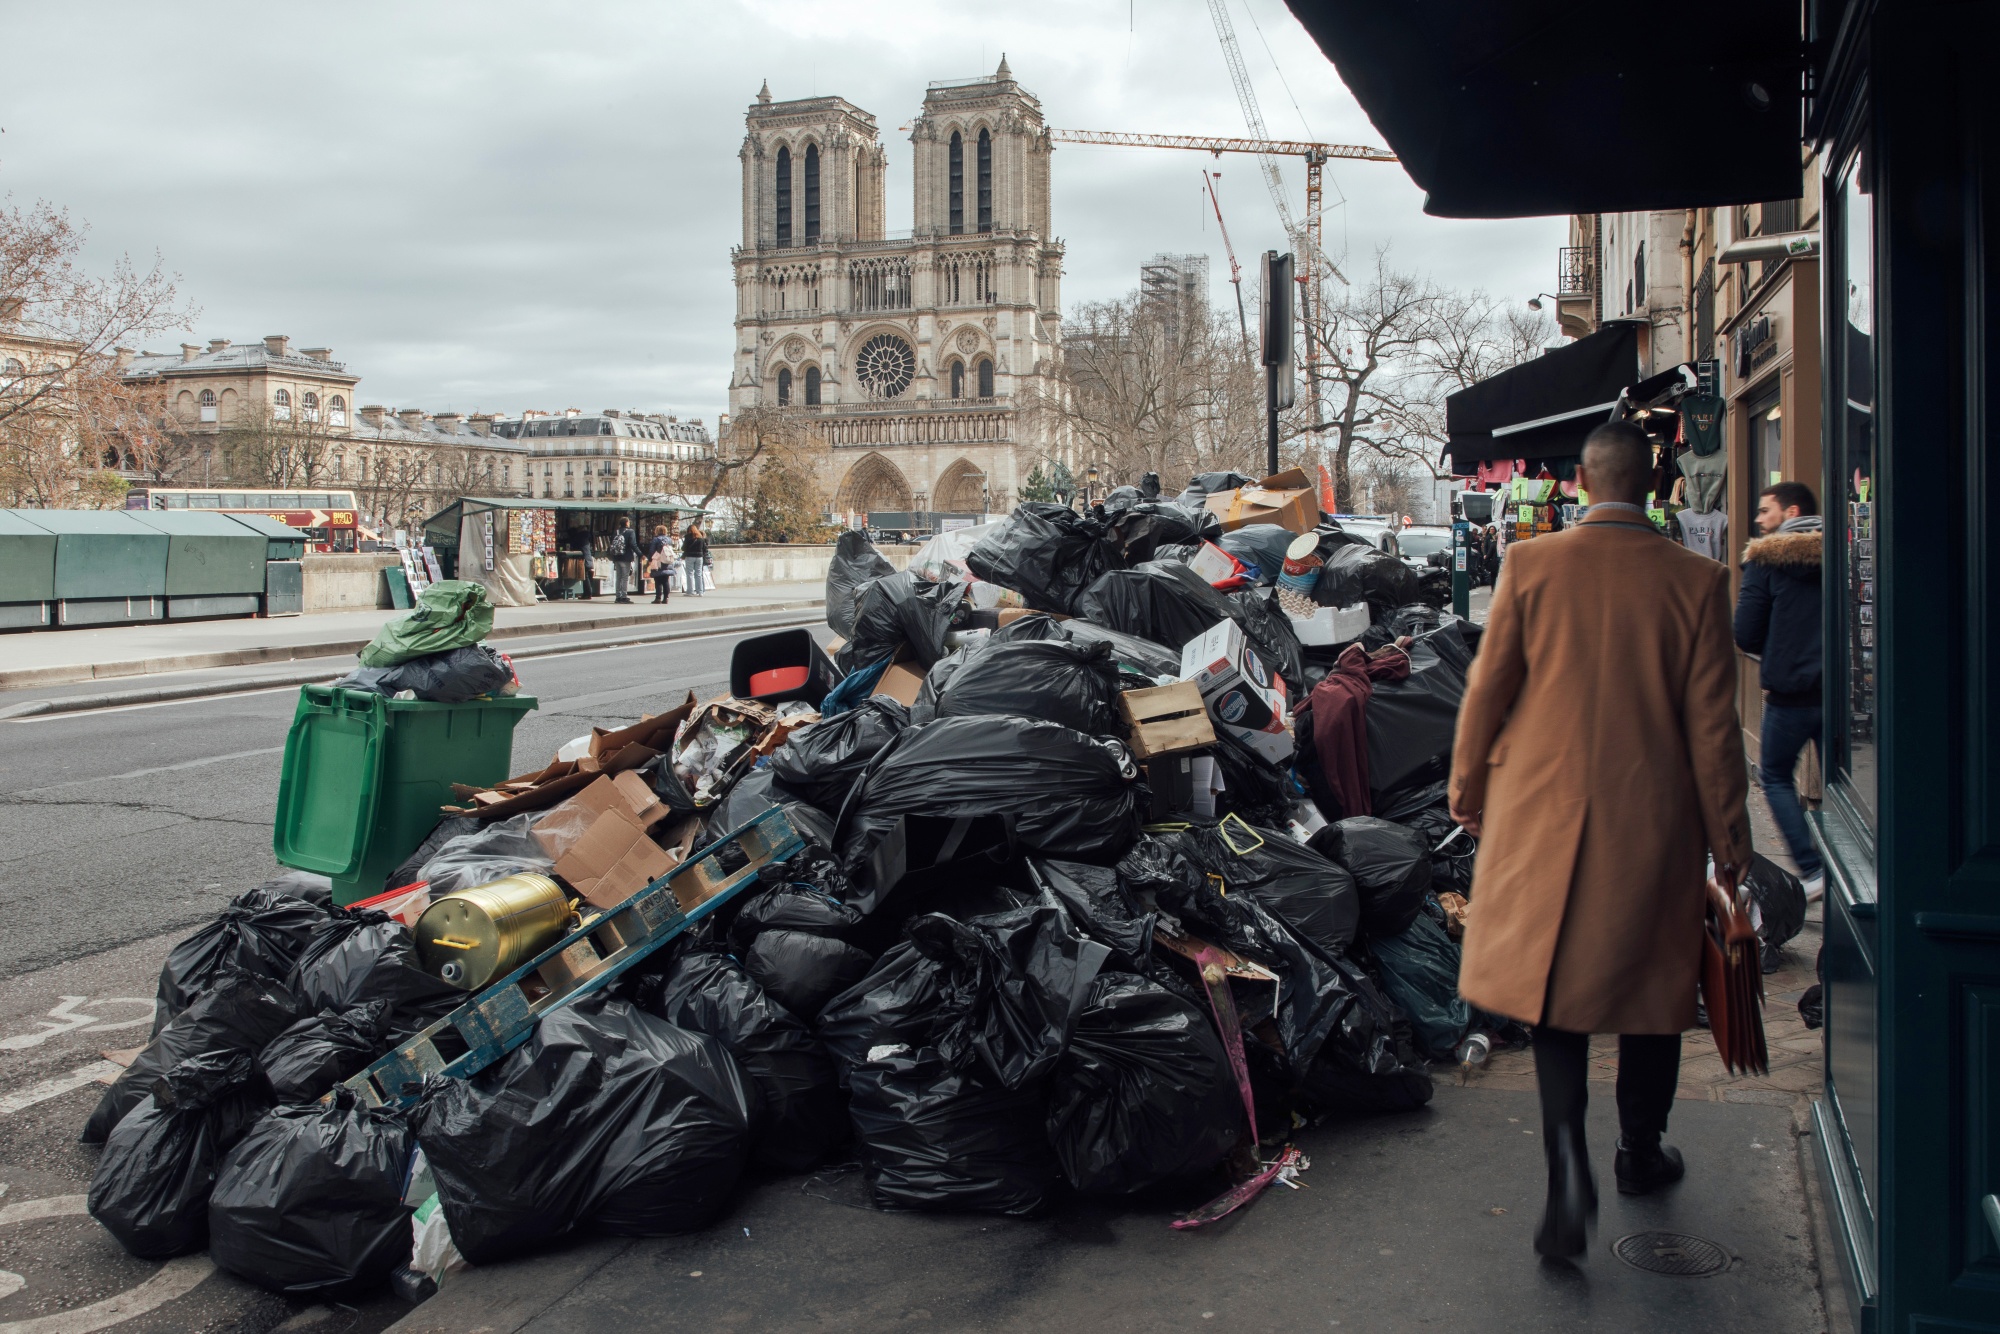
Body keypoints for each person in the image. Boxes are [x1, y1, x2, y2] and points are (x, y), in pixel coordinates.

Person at [1448, 420, 1751, 1259]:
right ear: (1654, 487)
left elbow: (1487, 691)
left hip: (1543, 818)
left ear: (1580, 483)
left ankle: (1565, 1171)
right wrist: (1732, 842)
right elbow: (1715, 731)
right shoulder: (1697, 580)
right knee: (1652, 999)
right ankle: (1638, 1153)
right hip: (1652, 825)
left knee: (1556, 999)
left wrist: (1467, 789)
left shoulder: (1532, 566)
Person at [1734, 481, 1825, 900]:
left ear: (1791, 513)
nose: (1758, 520)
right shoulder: (1843, 552)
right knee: (1842, 785)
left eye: (1764, 511)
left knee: (1773, 776)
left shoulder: (1765, 561)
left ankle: (1812, 868)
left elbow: (1746, 632)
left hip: (1789, 692)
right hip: (1841, 695)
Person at [608, 518, 638, 603]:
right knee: (625, 577)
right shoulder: (630, 532)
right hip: (626, 557)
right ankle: (624, 596)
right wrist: (640, 554)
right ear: (626, 523)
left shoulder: (616, 532)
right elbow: (633, 544)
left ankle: (618, 596)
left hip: (617, 557)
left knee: (618, 577)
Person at [645, 524, 674, 604]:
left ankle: (658, 598)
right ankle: (666, 598)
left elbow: (652, 550)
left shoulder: (656, 539)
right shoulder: (669, 539)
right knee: (665, 580)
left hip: (658, 561)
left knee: (658, 580)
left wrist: (650, 559)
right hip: (667, 561)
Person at [680, 523, 709, 596]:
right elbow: (705, 549)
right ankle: (700, 591)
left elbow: (683, 548)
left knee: (689, 574)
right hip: (699, 557)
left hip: (690, 556)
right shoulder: (701, 538)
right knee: (698, 574)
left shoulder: (688, 537)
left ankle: (690, 591)